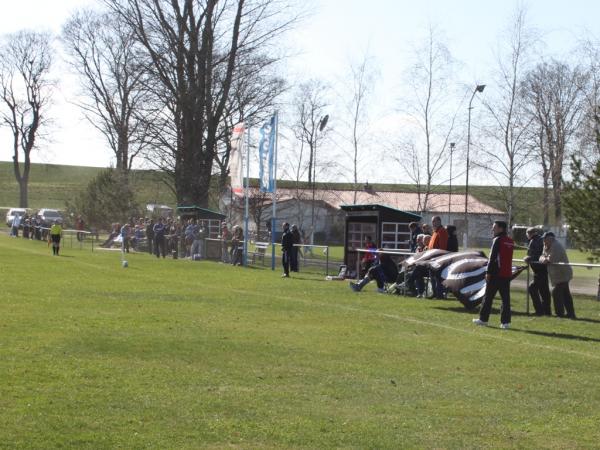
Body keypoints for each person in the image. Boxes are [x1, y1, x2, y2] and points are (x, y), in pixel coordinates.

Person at [473, 220, 514, 329]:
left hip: (496, 274)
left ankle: (483, 319)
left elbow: (492, 258)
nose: (492, 229)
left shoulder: (497, 240)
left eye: (494, 227)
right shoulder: (510, 241)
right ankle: (505, 323)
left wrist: (488, 272)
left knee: (488, 297)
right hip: (506, 274)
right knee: (506, 299)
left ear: (501, 229)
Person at [539, 232, 576, 319]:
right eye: (543, 239)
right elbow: (541, 257)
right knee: (566, 294)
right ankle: (571, 314)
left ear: (551, 239)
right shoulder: (546, 246)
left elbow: (551, 259)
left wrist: (545, 259)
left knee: (556, 292)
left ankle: (560, 314)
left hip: (563, 273)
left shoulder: (556, 246)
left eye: (545, 239)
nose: (543, 241)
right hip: (557, 274)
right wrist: (544, 258)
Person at [523, 227, 552, 316]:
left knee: (532, 288)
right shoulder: (541, 239)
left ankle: (539, 311)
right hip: (544, 269)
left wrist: (528, 258)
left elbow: (534, 255)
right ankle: (547, 312)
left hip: (538, 270)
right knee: (544, 291)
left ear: (528, 234)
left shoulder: (533, 241)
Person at [428, 216, 449, 298]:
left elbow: (442, 247)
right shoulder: (435, 232)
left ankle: (439, 294)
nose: (433, 223)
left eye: (434, 221)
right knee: (432, 277)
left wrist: (438, 258)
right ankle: (435, 293)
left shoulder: (442, 231)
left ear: (439, 221)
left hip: (437, 259)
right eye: (432, 221)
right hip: (431, 258)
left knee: (438, 278)